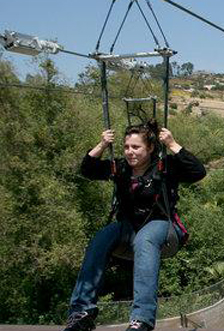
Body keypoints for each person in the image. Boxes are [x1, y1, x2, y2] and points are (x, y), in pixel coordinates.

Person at [63, 120, 206, 331]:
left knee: (145, 238)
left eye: (136, 147)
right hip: (129, 231)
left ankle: (142, 319)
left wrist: (172, 144)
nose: (130, 152)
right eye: (126, 147)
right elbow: (88, 170)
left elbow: (198, 172)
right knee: (101, 237)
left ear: (150, 148)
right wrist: (102, 145)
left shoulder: (164, 166)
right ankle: (82, 312)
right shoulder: (120, 168)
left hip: (163, 229)